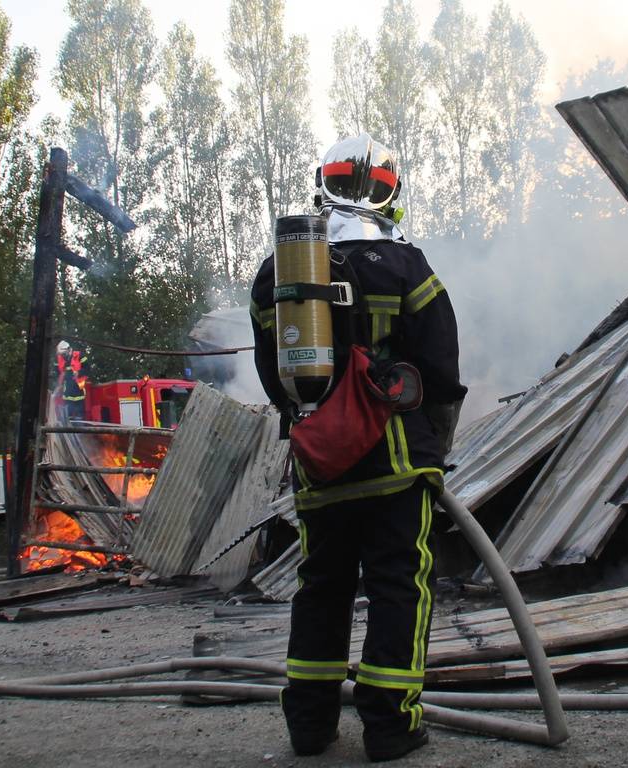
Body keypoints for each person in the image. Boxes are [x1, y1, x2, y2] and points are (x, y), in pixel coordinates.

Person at [250, 133, 466, 762]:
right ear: (391, 193)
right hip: (397, 461)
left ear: (324, 183)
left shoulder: (281, 274)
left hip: (320, 463)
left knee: (322, 584)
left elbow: (274, 376)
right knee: (400, 584)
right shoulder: (406, 265)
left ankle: (310, 726)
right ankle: (391, 726)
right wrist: (435, 447)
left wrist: (316, 421)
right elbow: (442, 369)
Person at [55, 340, 90, 421]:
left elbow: (88, 369)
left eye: (63, 354)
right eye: (61, 354)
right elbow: (58, 373)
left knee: (79, 419)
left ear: (69, 350)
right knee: (68, 418)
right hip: (67, 392)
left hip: (79, 390)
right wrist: (58, 384)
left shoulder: (80, 356)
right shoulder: (60, 359)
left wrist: (79, 373)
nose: (62, 356)